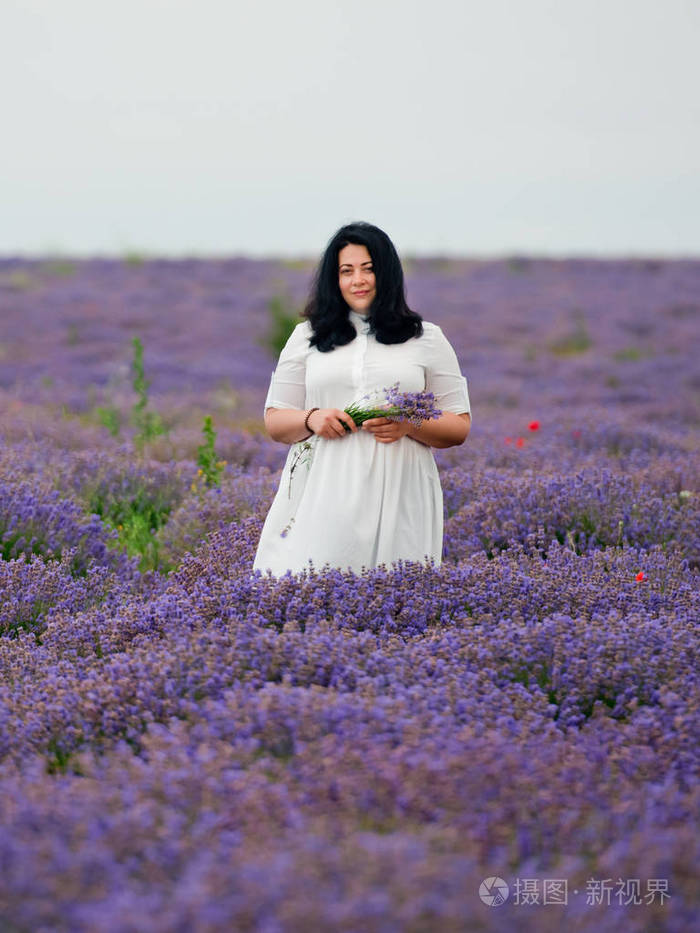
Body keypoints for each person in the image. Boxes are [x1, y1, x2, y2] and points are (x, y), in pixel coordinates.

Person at [252, 221, 471, 576]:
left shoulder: (426, 338)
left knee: (398, 600)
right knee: (308, 586)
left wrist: (409, 423)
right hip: (323, 488)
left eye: (369, 269)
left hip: (402, 490)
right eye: (347, 271)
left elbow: (459, 425)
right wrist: (312, 418)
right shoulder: (306, 337)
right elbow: (275, 420)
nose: (359, 280)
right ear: (334, 279)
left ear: (388, 274)